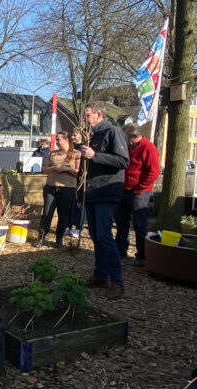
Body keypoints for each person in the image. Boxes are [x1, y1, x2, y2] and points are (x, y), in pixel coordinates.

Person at [79, 101, 129, 299]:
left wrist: (95, 155)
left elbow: (123, 161)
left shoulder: (113, 132)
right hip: (92, 192)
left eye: (88, 115)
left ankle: (117, 282)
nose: (85, 119)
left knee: (105, 236)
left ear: (99, 115)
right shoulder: (93, 135)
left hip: (107, 191)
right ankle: (100, 275)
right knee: (95, 235)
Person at [115, 123, 160, 267]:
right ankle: (120, 251)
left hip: (140, 192)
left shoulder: (148, 148)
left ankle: (142, 255)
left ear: (134, 137)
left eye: (126, 137)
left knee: (140, 224)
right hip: (125, 189)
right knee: (122, 222)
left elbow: (153, 172)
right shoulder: (127, 148)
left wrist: (140, 188)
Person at [36, 131, 80, 248]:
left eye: (59, 139)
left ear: (66, 140)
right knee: (46, 213)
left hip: (67, 188)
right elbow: (44, 169)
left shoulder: (76, 154)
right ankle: (41, 237)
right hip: (50, 186)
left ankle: (59, 238)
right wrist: (54, 168)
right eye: (56, 140)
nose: (56, 142)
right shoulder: (53, 154)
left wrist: (67, 169)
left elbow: (79, 173)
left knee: (63, 214)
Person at [70, 127, 87, 238]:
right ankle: (70, 225)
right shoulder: (70, 147)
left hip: (81, 179)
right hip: (71, 179)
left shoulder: (84, 148)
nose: (73, 137)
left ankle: (79, 227)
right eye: (72, 135)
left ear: (80, 135)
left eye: (75, 135)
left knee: (80, 203)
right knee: (72, 203)